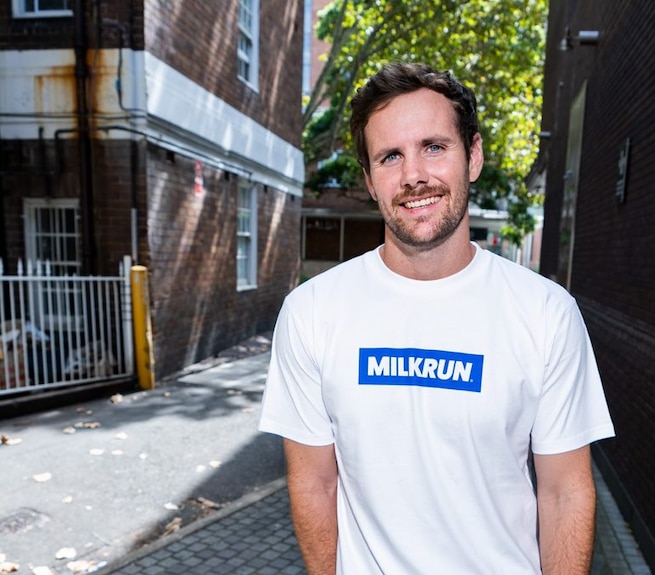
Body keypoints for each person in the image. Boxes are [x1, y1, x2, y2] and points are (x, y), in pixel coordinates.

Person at [259, 62, 615, 575]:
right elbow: (315, 482)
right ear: (370, 180)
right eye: (390, 156)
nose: (413, 176)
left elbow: (564, 491)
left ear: (472, 156)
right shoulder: (312, 311)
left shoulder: (546, 312)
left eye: (433, 147)